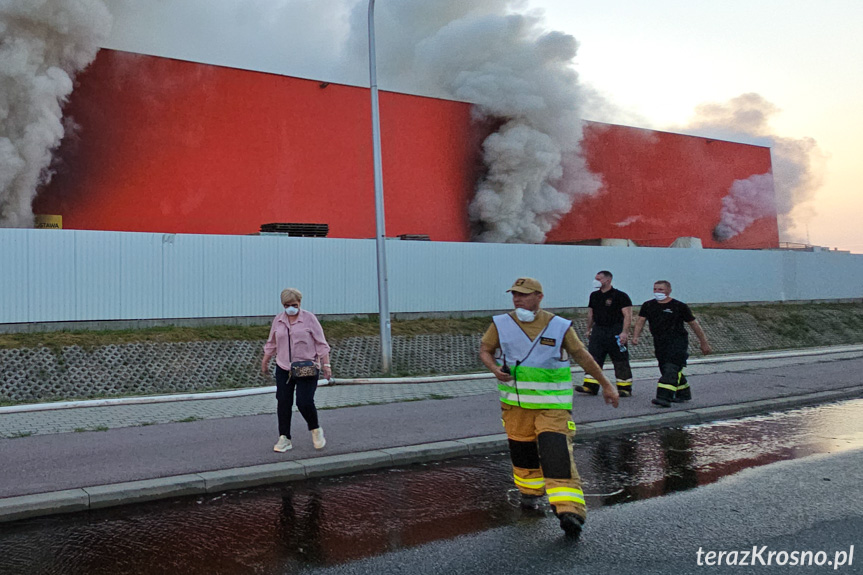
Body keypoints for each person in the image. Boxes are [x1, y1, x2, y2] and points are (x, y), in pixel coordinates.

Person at [479, 277, 619, 538]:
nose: (517, 299)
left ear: (539, 297)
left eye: (524, 294)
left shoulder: (559, 326)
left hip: (553, 407)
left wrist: (606, 384)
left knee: (557, 456)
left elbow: (582, 356)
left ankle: (570, 512)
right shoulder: (501, 323)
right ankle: (530, 494)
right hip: (515, 407)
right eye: (514, 295)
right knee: (523, 456)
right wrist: (494, 369)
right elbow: (485, 350)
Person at [261, 288, 333, 452]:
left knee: (304, 401)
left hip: (306, 368)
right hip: (284, 368)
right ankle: (284, 437)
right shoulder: (278, 320)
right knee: (283, 402)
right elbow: (272, 342)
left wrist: (326, 365)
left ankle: (315, 429)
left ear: (299, 303)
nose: (290, 308)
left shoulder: (309, 319)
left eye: (294, 304)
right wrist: (265, 360)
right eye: (287, 305)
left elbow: (321, 343)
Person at [631, 280, 712, 407]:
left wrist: (704, 342)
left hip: (677, 342)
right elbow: (641, 321)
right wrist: (636, 336)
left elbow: (694, 324)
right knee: (666, 369)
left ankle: (664, 397)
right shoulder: (648, 305)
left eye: (661, 290)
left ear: (669, 291)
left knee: (671, 368)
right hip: (660, 342)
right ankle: (683, 393)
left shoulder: (679, 306)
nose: (657, 292)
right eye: (655, 289)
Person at [576, 270, 634, 397]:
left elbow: (627, 315)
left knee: (620, 359)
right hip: (599, 331)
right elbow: (591, 313)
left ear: (608, 280)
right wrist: (588, 328)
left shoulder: (620, 296)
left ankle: (624, 387)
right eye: (595, 278)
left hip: (615, 331)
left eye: (599, 279)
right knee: (593, 358)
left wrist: (624, 332)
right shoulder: (594, 296)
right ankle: (590, 386)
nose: (595, 281)